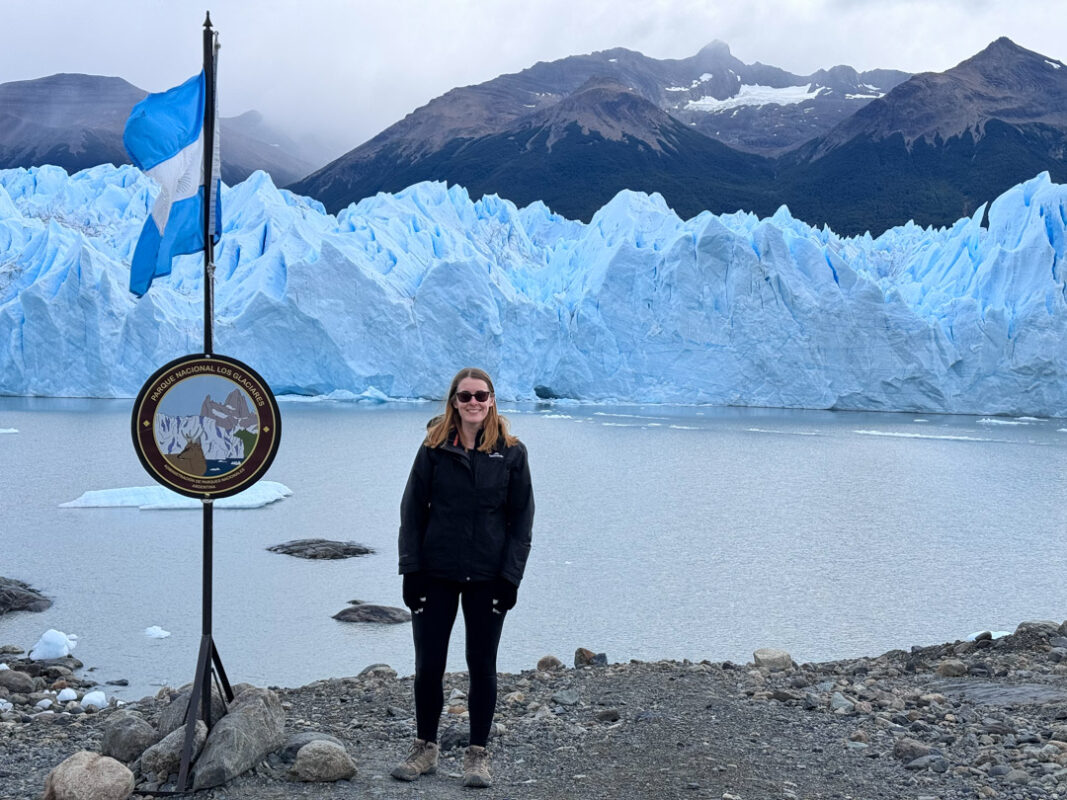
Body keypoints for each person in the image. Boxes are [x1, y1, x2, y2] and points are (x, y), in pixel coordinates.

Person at [392, 367, 534, 788]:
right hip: (436, 573)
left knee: (482, 665)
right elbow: (412, 512)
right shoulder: (434, 449)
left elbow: (521, 521)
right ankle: (425, 749)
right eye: (465, 396)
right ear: (453, 401)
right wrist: (410, 570)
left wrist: (511, 578)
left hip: (488, 576)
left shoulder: (511, 452)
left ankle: (477, 756)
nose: (473, 402)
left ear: (492, 400)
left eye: (481, 395)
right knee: (428, 665)